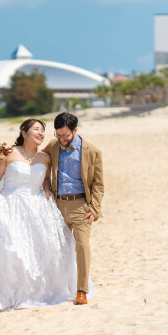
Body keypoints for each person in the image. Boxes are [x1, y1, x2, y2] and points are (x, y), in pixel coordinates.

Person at [0, 118, 78, 311]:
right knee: (11, 250)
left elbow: (45, 179)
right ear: (24, 133)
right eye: (36, 129)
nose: (40, 133)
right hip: (11, 204)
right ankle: (3, 295)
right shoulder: (8, 153)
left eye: (43, 130)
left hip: (37, 206)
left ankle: (35, 293)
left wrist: (47, 190)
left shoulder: (45, 157)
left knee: (39, 250)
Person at [44, 112, 104, 305]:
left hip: (81, 207)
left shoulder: (92, 151)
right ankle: (55, 289)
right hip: (56, 206)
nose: (61, 139)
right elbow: (36, 160)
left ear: (75, 130)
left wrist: (94, 209)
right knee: (56, 248)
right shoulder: (53, 146)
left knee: (82, 246)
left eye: (65, 135)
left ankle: (82, 291)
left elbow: (98, 184)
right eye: (58, 135)